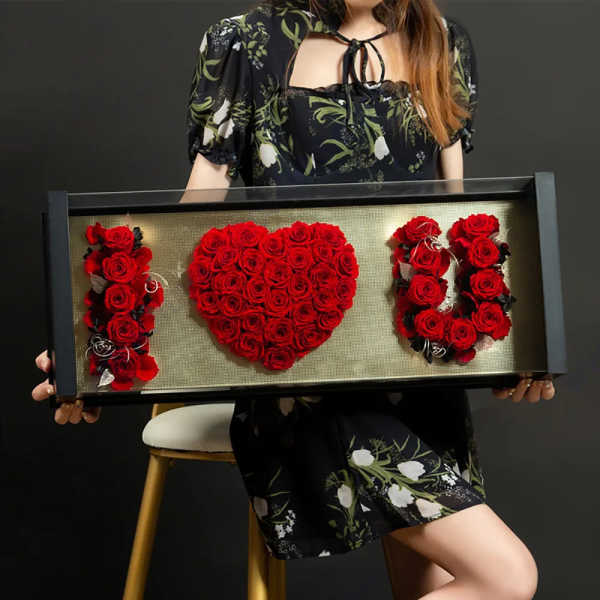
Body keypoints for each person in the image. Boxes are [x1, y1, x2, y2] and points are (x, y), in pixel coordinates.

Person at [32, 0, 556, 597]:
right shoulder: (244, 42)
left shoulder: (440, 40)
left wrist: (512, 355)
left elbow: (455, 223)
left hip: (417, 376)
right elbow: (185, 229)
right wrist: (92, 349)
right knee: (504, 577)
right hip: (300, 379)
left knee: (439, 585)